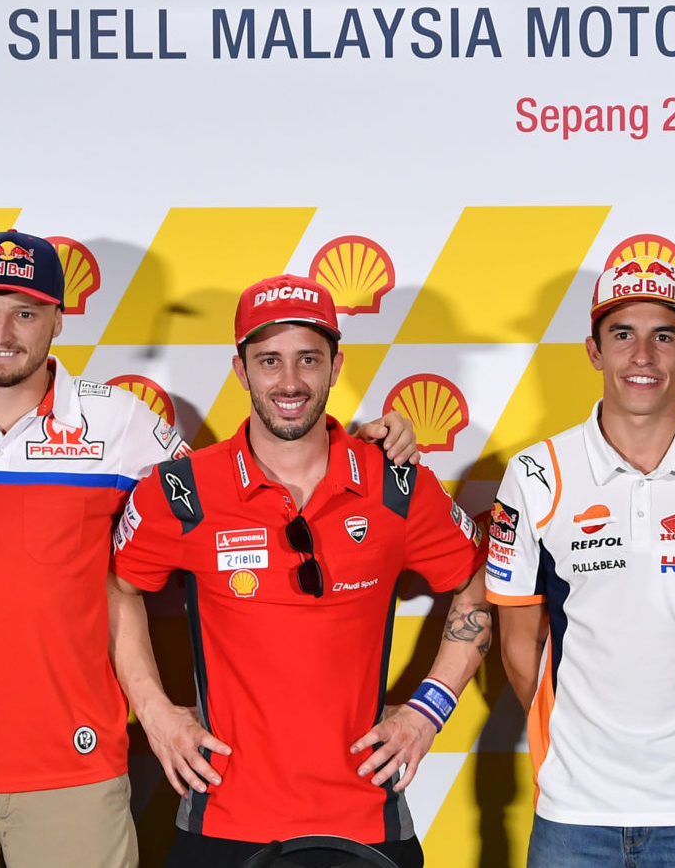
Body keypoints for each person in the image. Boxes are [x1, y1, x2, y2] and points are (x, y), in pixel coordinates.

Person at [0, 233, 428, 867]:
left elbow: (248, 484)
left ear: (57, 316)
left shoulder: (122, 423)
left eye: (24, 312)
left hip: (79, 773)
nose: (1, 330)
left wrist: (353, 448)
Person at [108, 274, 490, 868]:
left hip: (367, 820)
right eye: (269, 360)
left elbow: (477, 585)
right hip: (221, 818)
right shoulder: (182, 490)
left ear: (336, 366)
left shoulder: (395, 484)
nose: (289, 382)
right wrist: (155, 714)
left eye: (308, 359)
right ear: (240, 369)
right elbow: (119, 586)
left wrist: (426, 713)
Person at [487, 251, 675, 868]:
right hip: (575, 810)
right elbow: (519, 645)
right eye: (622, 334)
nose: (643, 357)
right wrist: (580, 741)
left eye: (664, 336)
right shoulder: (535, 474)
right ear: (594, 350)